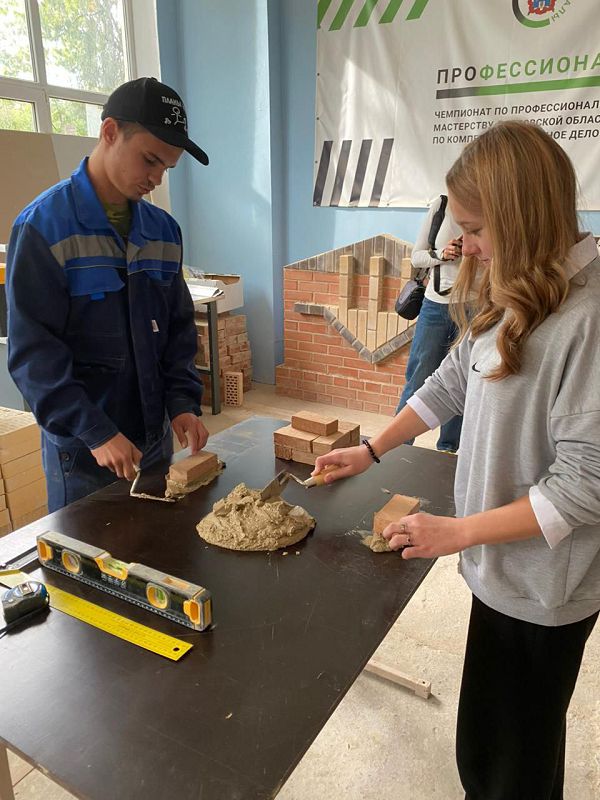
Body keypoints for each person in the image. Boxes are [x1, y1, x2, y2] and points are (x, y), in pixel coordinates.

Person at [314, 121, 600, 799]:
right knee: (494, 750)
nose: (462, 244)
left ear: (522, 217)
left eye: (473, 227)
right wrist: (372, 449)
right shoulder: (521, 287)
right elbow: (452, 381)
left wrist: (459, 531)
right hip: (501, 569)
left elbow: (585, 486)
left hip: (544, 588)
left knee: (511, 765)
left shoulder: (586, 319)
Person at [6, 77, 210, 511]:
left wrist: (182, 402)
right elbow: (34, 354)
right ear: (110, 132)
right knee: (86, 552)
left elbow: (177, 330)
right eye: (150, 160)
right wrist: (96, 431)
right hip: (84, 450)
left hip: (154, 437)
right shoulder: (44, 228)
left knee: (159, 543)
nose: (156, 178)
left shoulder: (163, 232)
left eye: (166, 168)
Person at [396, 194, 463, 452]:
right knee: (418, 377)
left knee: (460, 382)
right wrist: (442, 254)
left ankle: (448, 449)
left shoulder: (495, 207)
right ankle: (399, 447)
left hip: (474, 308)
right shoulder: (442, 205)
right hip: (435, 306)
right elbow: (417, 257)